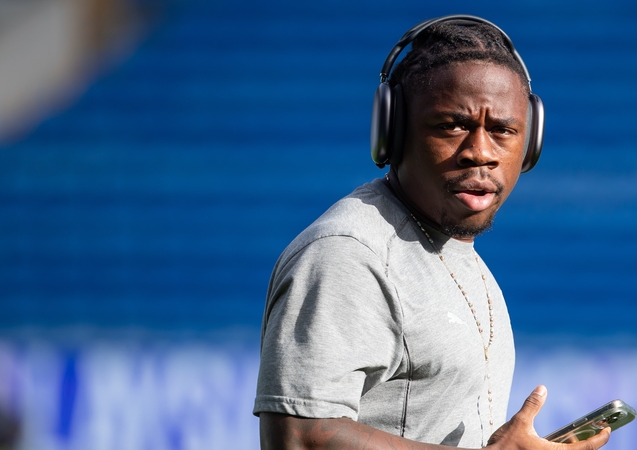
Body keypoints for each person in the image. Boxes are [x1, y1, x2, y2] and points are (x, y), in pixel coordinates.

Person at [253, 15, 611, 450]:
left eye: (503, 131)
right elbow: (300, 436)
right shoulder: (349, 254)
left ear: (529, 145)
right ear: (394, 133)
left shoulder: (457, 252)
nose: (480, 152)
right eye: (452, 126)